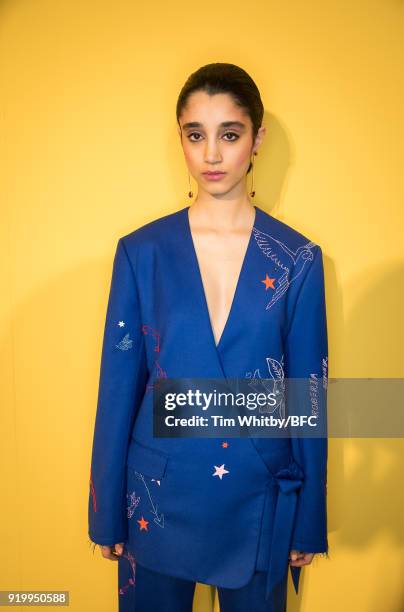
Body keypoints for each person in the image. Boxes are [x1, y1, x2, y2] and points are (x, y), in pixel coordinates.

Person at [88, 62, 329, 612]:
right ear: (181, 141)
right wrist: (105, 511)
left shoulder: (297, 259)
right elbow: (118, 389)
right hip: (156, 496)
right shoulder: (140, 252)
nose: (213, 155)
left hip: (259, 497)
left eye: (230, 134)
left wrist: (307, 522)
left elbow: (307, 395)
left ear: (257, 138)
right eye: (196, 135)